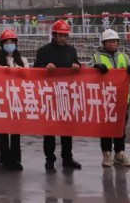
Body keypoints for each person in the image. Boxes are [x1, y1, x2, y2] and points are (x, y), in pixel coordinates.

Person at [34, 20, 82, 173]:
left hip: (66, 94)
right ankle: (50, 159)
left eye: (65, 35)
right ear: (54, 35)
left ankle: (67, 158)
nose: (63, 38)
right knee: (49, 130)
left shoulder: (71, 51)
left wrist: (77, 67)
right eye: (60, 35)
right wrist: (44, 67)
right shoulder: (43, 51)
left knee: (67, 129)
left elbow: (78, 66)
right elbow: (35, 70)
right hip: (49, 95)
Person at [92, 29, 130, 168]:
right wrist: (95, 68)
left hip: (122, 99)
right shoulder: (97, 57)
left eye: (114, 41)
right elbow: (88, 73)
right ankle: (107, 154)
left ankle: (119, 153)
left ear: (118, 42)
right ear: (104, 43)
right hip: (104, 99)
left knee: (120, 127)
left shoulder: (124, 57)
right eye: (108, 42)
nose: (111, 44)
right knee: (105, 128)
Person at [0, 29, 26, 171]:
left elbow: (28, 78)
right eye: (6, 42)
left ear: (16, 43)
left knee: (16, 131)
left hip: (17, 98)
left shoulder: (22, 60)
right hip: (2, 98)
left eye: (12, 42)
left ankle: (15, 159)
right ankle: (4, 158)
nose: (9, 45)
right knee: (3, 130)